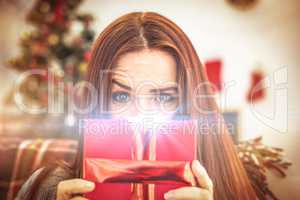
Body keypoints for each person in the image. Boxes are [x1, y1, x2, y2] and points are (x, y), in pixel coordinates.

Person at [16, 12, 257, 200]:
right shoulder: (45, 189)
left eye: (164, 97)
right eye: (121, 97)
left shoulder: (231, 186)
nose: (141, 116)